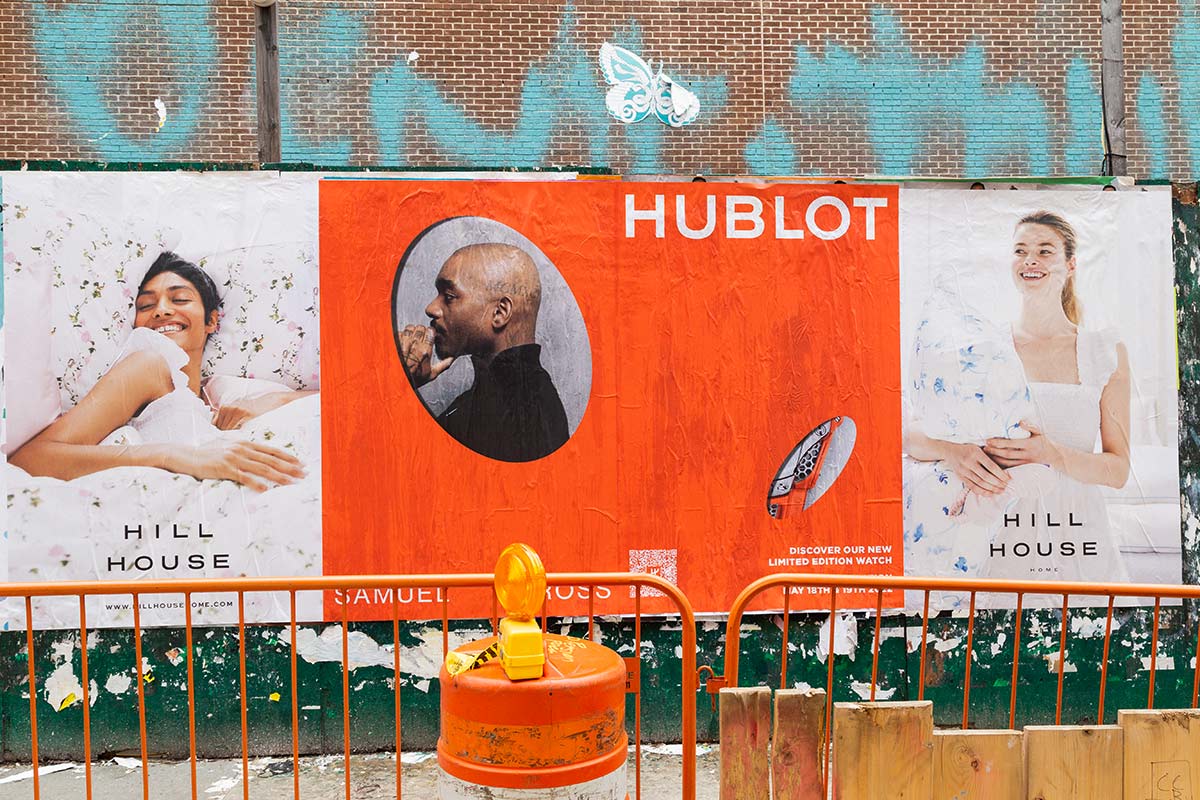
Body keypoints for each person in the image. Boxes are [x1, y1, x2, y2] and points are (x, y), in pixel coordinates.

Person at [904, 211, 1132, 582]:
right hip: (998, 542)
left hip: (1079, 540)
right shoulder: (982, 347)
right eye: (1020, 250)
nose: (1030, 260)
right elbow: (909, 434)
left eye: (1045, 251)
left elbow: (1119, 470)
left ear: (1070, 265)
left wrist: (1051, 454)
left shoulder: (1104, 351)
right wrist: (954, 452)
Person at [9, 251, 309, 492]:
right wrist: (171, 456)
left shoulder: (223, 392)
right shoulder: (148, 365)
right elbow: (32, 458)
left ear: (211, 321)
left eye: (180, 299)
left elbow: (328, 398)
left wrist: (265, 402)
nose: (162, 310)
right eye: (145, 305)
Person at [397, 242, 569, 462]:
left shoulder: (526, 416)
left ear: (499, 312)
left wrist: (396, 385)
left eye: (449, 296)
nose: (431, 308)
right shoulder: (494, 401)